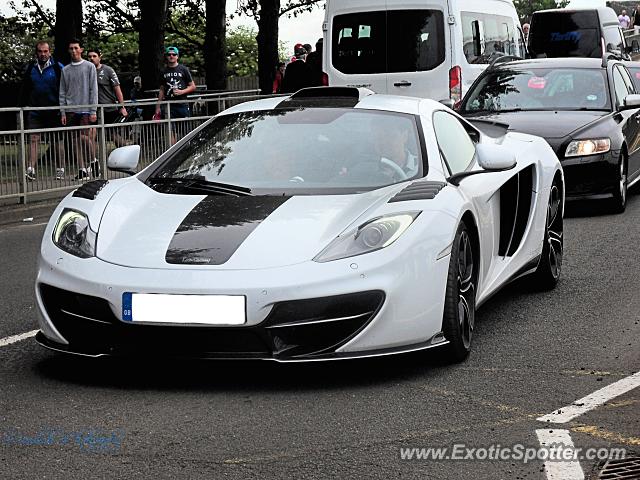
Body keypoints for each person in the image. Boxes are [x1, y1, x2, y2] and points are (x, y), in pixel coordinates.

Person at [18, 41, 65, 181]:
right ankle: (31, 169)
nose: (43, 54)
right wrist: (21, 106)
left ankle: (60, 168)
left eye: (45, 51)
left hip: (54, 109)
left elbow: (65, 88)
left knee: (57, 140)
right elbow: (25, 89)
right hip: (35, 110)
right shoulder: (31, 68)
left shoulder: (58, 67)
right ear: (36, 53)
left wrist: (63, 109)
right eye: (40, 51)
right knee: (33, 138)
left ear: (49, 52)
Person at [59, 39, 98, 180]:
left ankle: (94, 161)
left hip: (86, 109)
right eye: (71, 48)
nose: (74, 51)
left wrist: (93, 110)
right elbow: (62, 91)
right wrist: (63, 111)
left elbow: (93, 89)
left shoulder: (89, 67)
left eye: (76, 48)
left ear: (81, 49)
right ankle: (82, 169)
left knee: (84, 137)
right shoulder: (65, 69)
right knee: (74, 140)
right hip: (71, 109)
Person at [87, 48, 128, 154]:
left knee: (112, 134)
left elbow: (117, 89)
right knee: (92, 135)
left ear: (100, 57)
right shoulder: (86, 71)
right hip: (93, 109)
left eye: (94, 56)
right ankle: (95, 161)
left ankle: (126, 153)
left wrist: (122, 106)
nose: (92, 58)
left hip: (108, 108)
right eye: (89, 56)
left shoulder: (108, 70)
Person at [155, 46, 196, 145]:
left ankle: (186, 149)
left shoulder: (184, 69)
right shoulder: (163, 71)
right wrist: (158, 106)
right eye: (169, 54)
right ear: (166, 56)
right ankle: (173, 153)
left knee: (185, 130)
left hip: (182, 104)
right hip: (169, 105)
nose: (171, 56)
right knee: (170, 131)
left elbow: (193, 86)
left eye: (174, 54)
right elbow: (161, 89)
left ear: (177, 56)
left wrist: (182, 92)